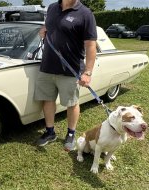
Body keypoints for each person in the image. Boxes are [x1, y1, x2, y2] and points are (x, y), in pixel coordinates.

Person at [34, 0, 97, 151]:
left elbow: (90, 45)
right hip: (47, 66)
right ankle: (50, 132)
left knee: (71, 103)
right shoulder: (52, 8)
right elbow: (51, 26)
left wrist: (87, 72)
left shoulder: (85, 14)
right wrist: (43, 29)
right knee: (47, 100)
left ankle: (71, 133)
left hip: (71, 69)